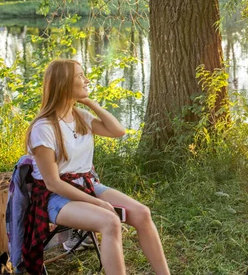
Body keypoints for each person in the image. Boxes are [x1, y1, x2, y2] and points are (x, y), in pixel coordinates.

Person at [23, 59, 170, 274]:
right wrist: (98, 204)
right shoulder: (43, 129)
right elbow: (53, 183)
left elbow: (117, 131)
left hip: (87, 185)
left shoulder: (81, 117)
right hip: (54, 198)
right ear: (64, 83)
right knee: (110, 221)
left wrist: (90, 103)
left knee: (142, 213)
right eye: (80, 76)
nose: (87, 80)